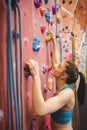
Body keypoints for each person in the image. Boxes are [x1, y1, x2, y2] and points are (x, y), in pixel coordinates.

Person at [26, 31, 85, 130]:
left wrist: (36, 76)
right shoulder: (64, 81)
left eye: (59, 66)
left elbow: (40, 110)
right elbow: (56, 62)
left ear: (63, 76)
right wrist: (54, 43)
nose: (56, 66)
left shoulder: (67, 94)